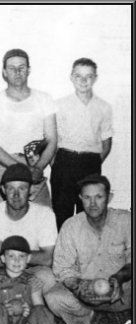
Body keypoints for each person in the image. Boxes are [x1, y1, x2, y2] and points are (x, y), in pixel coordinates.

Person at [45, 174, 131, 324]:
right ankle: (83, 320)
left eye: (99, 197)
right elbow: (62, 268)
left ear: (109, 197)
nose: (92, 203)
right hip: (85, 295)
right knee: (53, 297)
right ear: (80, 198)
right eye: (87, 197)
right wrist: (79, 287)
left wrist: (120, 277)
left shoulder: (126, 220)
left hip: (122, 291)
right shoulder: (70, 226)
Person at [0, 48, 57, 207]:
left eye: (22, 67)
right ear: (4, 72)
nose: (17, 72)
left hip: (34, 166)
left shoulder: (44, 100)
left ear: (28, 70)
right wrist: (21, 169)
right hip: (0, 164)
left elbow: (52, 139)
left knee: (41, 217)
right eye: (12, 68)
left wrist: (38, 168)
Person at [0, 163, 57, 298]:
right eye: (11, 188)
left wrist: (6, 251)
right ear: (3, 190)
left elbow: (47, 259)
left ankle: (27, 312)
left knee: (48, 278)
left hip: (31, 270)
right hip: (0, 269)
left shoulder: (45, 214)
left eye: (22, 188)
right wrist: (18, 259)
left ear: (30, 190)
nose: (16, 195)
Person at [51, 58, 114, 229]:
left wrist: (91, 162)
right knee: (61, 212)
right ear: (71, 77)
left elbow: (106, 143)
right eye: (78, 76)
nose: (83, 81)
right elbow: (52, 139)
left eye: (89, 76)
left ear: (96, 78)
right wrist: (56, 164)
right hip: (64, 162)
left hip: (90, 164)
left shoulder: (104, 107)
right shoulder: (60, 105)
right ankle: (63, 254)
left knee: (87, 214)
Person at [0, 235, 57, 324]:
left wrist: (28, 309)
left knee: (40, 311)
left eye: (22, 256)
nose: (17, 260)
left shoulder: (32, 280)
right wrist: (1, 307)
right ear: (3, 258)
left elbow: (39, 307)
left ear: (28, 259)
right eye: (11, 256)